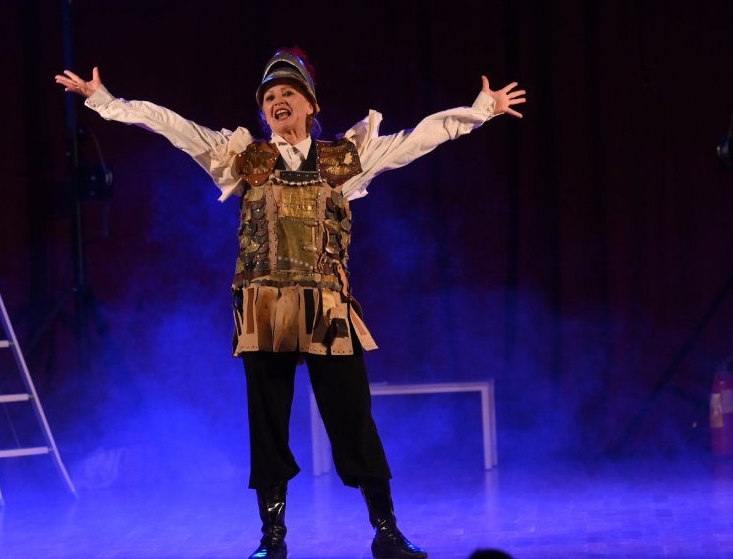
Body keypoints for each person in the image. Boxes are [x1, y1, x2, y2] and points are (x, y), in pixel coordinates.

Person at [55, 48, 525, 559]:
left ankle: (386, 530)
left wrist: (481, 110)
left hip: (328, 309)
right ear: (263, 112)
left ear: (310, 104)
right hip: (264, 309)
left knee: (353, 419)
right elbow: (174, 126)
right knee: (268, 423)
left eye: (288, 93)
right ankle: (272, 537)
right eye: (270, 97)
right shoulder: (242, 159)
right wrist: (105, 101)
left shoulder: (345, 158)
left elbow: (418, 139)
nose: (278, 101)